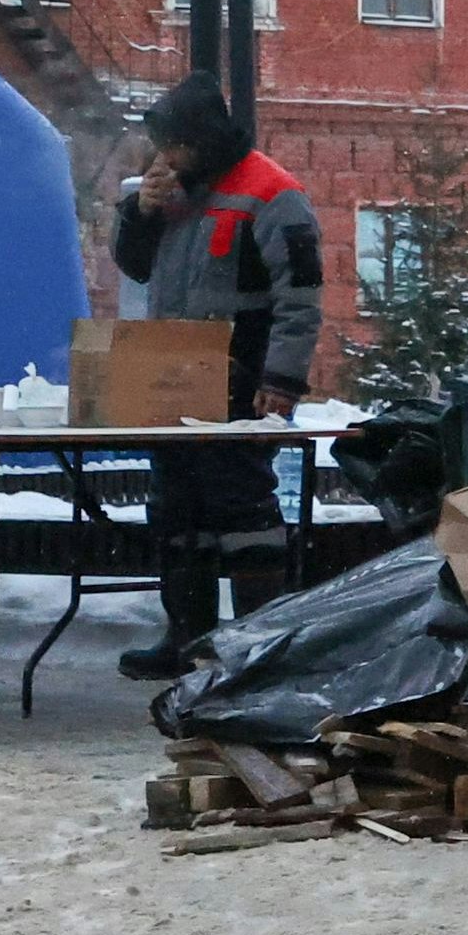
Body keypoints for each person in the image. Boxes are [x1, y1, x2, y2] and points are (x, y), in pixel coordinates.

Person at [107, 71, 322, 681]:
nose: (164, 158)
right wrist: (140, 213)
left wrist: (281, 381)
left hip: (241, 372)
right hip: (173, 370)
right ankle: (187, 638)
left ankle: (260, 647)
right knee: (175, 508)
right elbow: (136, 268)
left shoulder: (274, 194)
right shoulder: (171, 190)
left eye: (174, 145)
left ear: (202, 140)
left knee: (243, 508)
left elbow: (300, 298)